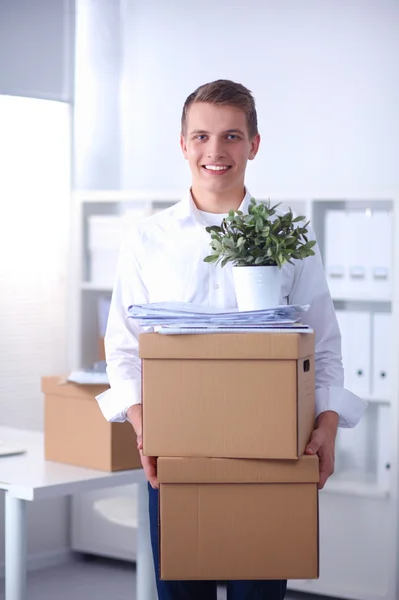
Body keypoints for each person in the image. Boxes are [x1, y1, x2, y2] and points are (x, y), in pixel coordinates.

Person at [97, 79, 366, 600]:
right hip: (177, 447)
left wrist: (328, 422)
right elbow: (123, 345)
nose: (215, 151)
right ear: (182, 144)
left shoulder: (290, 239)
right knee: (182, 594)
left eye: (232, 136)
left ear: (254, 144)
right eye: (200, 136)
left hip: (271, 451)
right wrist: (142, 424)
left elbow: (323, 343)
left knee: (259, 595)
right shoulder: (148, 240)